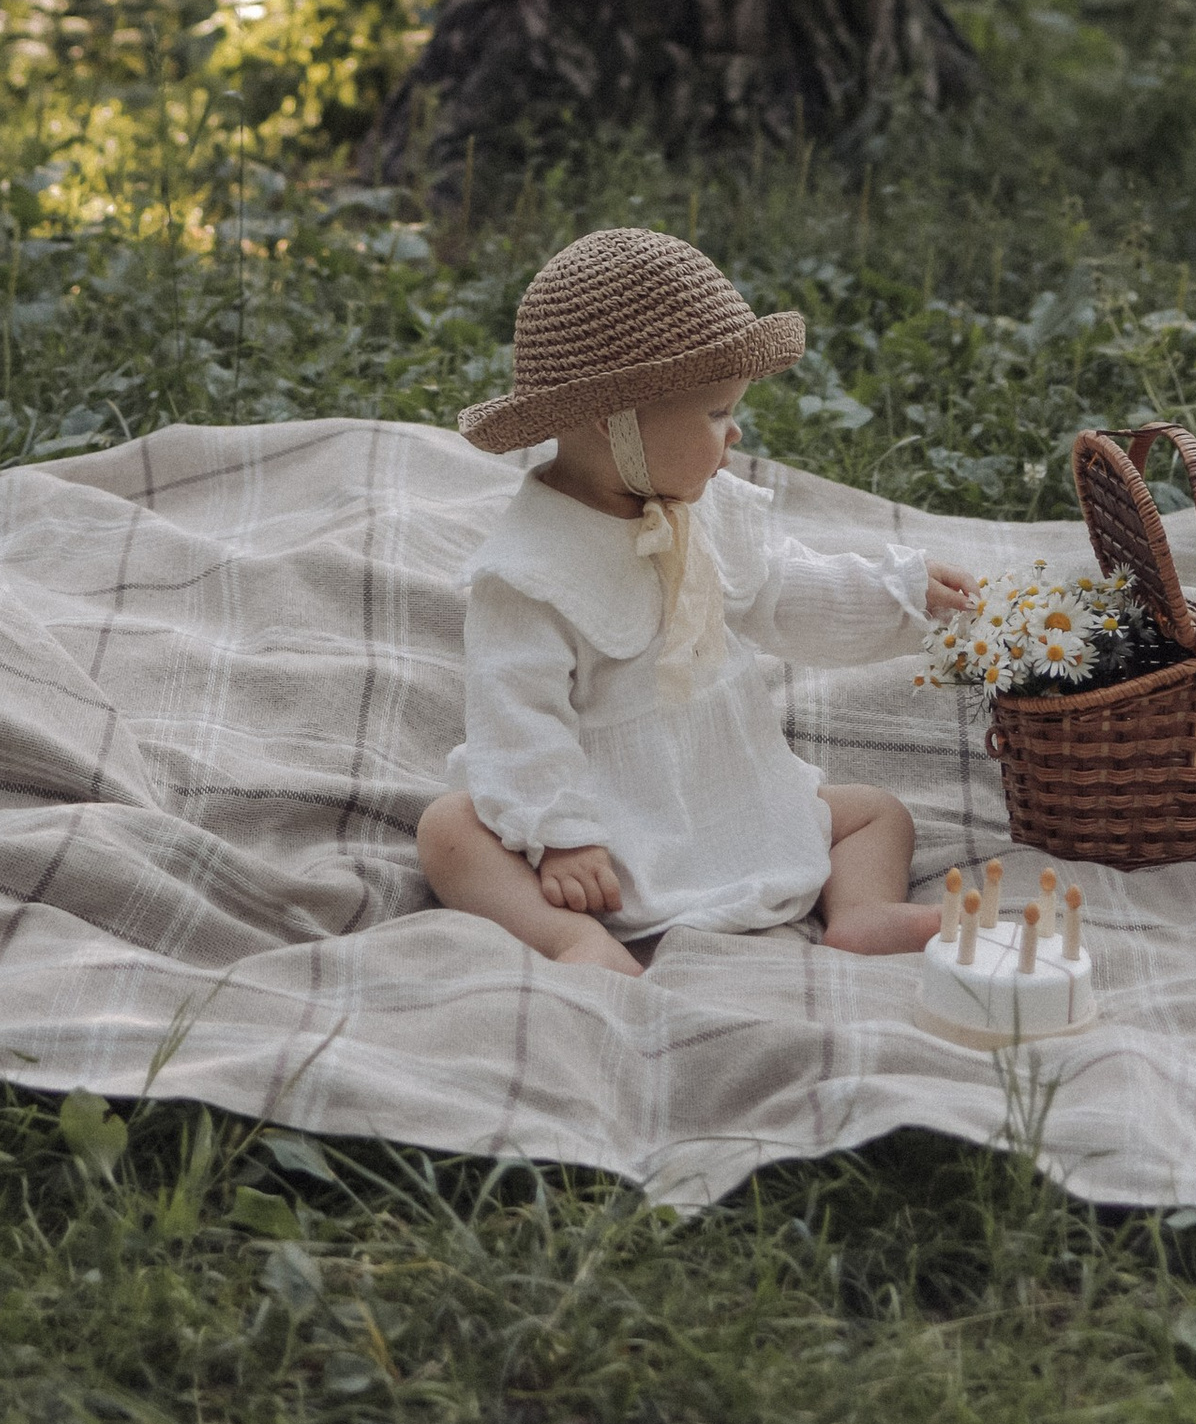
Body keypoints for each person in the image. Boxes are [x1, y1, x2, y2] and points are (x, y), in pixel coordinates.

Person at [418, 226, 979, 975]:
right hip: (605, 827)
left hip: (723, 787)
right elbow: (516, 721)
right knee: (450, 830)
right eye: (715, 413)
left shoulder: (701, 514)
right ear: (612, 418)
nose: (735, 430)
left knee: (878, 812)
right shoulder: (528, 573)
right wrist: (560, 835)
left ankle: (862, 911)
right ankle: (572, 939)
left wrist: (902, 595)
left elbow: (784, 590)